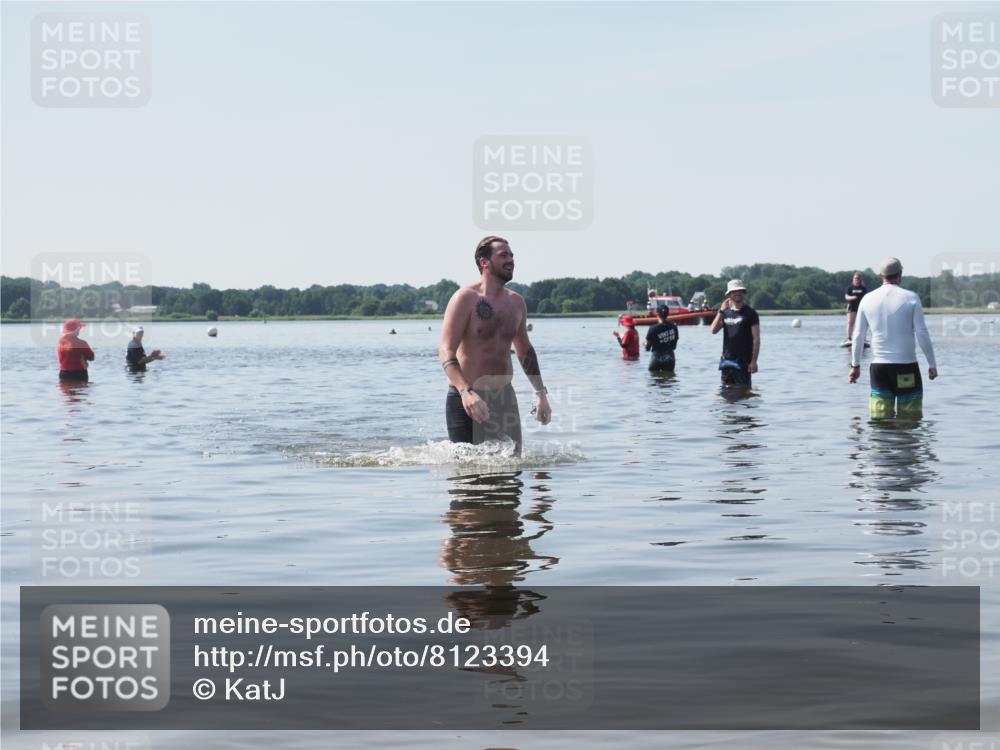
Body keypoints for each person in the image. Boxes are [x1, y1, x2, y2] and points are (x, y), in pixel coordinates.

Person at [439, 236, 552, 454]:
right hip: (468, 400)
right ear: (484, 262)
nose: (510, 260)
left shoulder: (516, 302)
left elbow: (525, 352)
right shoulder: (464, 298)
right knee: (468, 478)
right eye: (503, 255)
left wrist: (541, 395)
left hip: (504, 398)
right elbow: (446, 350)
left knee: (513, 469)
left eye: (511, 255)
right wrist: (465, 392)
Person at [849, 257, 937, 418]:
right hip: (906, 367)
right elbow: (922, 332)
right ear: (900, 274)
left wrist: (855, 365)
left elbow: (858, 335)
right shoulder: (911, 297)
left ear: (881, 275)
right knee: (910, 419)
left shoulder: (867, 299)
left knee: (879, 420)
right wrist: (932, 364)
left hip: (879, 370)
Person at [710, 279, 760, 386]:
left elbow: (756, 339)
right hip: (727, 362)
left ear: (744, 293)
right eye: (734, 291)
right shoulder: (725, 313)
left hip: (743, 363)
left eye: (740, 291)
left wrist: (754, 361)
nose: (737, 293)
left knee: (744, 395)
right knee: (726, 397)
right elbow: (713, 330)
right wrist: (721, 311)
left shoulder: (751, 313)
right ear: (729, 294)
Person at [645, 305, 678, 371]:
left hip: (656, 358)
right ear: (668, 314)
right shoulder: (674, 327)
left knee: (654, 378)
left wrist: (645, 344)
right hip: (670, 358)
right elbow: (674, 347)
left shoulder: (653, 328)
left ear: (657, 314)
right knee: (669, 379)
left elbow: (647, 348)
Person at [843, 272, 868, 345]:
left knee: (862, 323)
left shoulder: (863, 288)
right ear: (853, 279)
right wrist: (852, 297)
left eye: (858, 278)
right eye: (855, 278)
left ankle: (863, 339)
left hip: (861, 308)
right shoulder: (850, 287)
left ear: (860, 279)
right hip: (852, 307)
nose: (856, 279)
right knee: (850, 322)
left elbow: (866, 297)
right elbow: (846, 297)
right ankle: (849, 338)